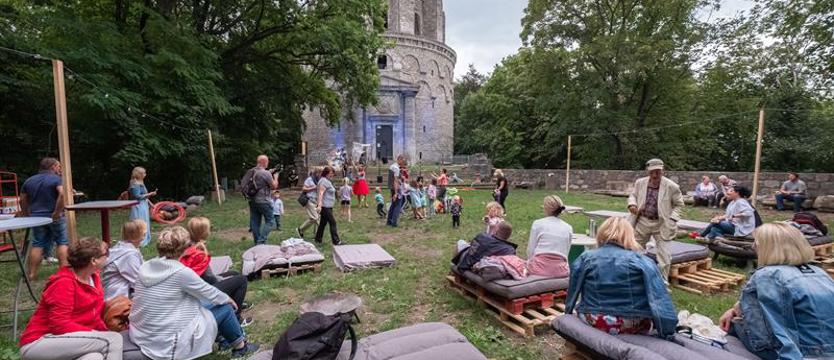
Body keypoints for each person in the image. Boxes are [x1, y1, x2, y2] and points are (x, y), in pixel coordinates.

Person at [130, 226, 259, 359]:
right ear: (185, 249)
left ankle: (225, 339)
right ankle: (241, 347)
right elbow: (209, 292)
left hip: (142, 333)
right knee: (225, 308)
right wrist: (227, 299)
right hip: (167, 342)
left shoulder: (146, 267)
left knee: (211, 304)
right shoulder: (180, 272)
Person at [718, 223, 834, 359]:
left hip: (805, 353)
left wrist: (736, 323)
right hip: (827, 348)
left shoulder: (768, 275)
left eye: (757, 243)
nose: (753, 247)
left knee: (732, 327)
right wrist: (738, 308)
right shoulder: (818, 272)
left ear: (769, 248)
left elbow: (777, 333)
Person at [566, 217, 678, 338]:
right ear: (630, 236)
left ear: (601, 234)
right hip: (632, 324)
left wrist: (568, 311)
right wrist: (668, 330)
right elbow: (659, 298)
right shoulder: (643, 261)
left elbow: (573, 289)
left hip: (594, 320)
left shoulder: (586, 257)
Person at [19, 236, 124, 360]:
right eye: (106, 253)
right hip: (39, 342)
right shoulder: (64, 283)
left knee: (94, 357)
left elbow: (94, 316)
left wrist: (106, 328)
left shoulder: (94, 278)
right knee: (113, 340)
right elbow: (59, 324)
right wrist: (95, 334)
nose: (108, 256)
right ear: (94, 260)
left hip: (69, 339)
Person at [182, 217, 253, 326]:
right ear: (203, 232)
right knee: (241, 280)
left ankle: (236, 302)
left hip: (196, 286)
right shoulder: (198, 250)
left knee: (234, 274)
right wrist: (224, 280)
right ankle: (236, 318)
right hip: (201, 291)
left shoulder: (187, 244)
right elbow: (210, 278)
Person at [627, 158, 684, 280]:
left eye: (658, 171)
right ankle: (634, 276)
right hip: (642, 221)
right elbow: (633, 195)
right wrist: (632, 204)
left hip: (662, 224)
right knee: (634, 248)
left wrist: (672, 219)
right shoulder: (640, 183)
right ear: (647, 171)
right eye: (652, 172)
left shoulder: (672, 186)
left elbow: (679, 204)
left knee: (664, 256)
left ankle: (663, 282)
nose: (654, 175)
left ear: (663, 170)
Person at [19, 157, 69, 280]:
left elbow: (22, 200)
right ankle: (64, 274)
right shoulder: (57, 179)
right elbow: (62, 194)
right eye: (58, 166)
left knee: (37, 243)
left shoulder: (29, 181)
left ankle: (31, 274)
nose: (59, 169)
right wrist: (57, 212)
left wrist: (26, 215)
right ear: (52, 167)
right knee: (62, 242)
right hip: (54, 217)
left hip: (36, 218)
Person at [527, 195, 572, 278]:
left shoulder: (538, 223)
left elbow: (530, 250)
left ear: (545, 208)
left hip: (539, 269)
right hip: (561, 270)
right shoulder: (568, 227)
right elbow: (566, 252)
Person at [102, 219, 146, 301]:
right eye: (143, 234)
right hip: (117, 299)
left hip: (117, 295)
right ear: (136, 236)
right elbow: (138, 281)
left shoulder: (122, 247)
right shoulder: (129, 255)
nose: (144, 238)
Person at [243, 155, 278, 245]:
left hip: (252, 200)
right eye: (267, 161)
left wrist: (269, 173)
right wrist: (276, 177)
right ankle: (261, 241)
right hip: (264, 200)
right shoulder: (266, 173)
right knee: (270, 221)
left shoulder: (252, 171)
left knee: (255, 221)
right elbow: (274, 186)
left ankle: (257, 242)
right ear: (264, 162)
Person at [127, 166, 157, 247]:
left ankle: (145, 238)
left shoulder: (141, 182)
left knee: (145, 221)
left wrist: (150, 203)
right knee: (139, 221)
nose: (145, 174)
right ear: (139, 174)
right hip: (138, 205)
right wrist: (150, 194)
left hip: (143, 205)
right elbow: (137, 196)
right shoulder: (135, 183)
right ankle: (139, 240)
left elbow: (144, 196)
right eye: (144, 173)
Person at [315, 166, 342, 245]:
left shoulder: (327, 181)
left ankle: (318, 239)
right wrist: (319, 205)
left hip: (328, 206)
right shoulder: (324, 181)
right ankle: (336, 241)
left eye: (333, 173)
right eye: (331, 173)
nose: (332, 175)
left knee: (323, 223)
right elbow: (320, 194)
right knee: (333, 222)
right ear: (326, 173)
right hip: (325, 206)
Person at [296, 167, 322, 239]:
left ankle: (316, 235)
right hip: (309, 200)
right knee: (315, 218)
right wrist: (313, 188)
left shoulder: (320, 180)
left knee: (317, 218)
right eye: (319, 173)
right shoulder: (309, 179)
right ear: (316, 173)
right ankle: (301, 229)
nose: (320, 175)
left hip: (317, 201)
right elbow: (304, 189)